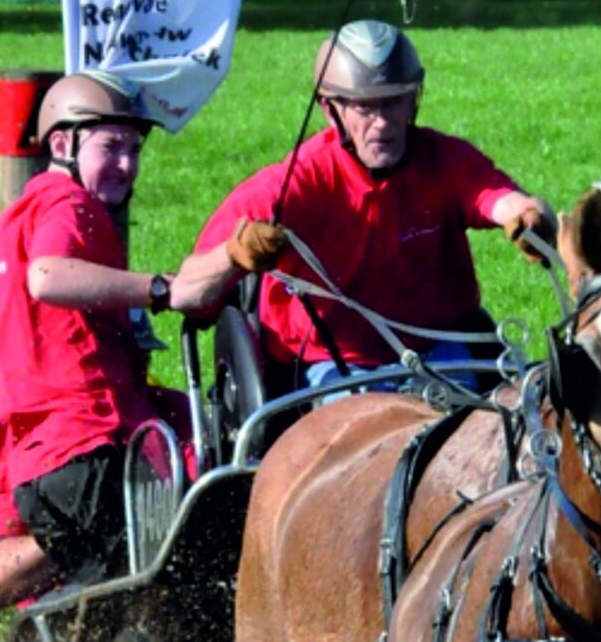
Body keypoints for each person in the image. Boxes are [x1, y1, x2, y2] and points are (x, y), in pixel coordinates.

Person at [170, 19, 556, 391]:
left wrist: (530, 219)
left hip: (439, 351)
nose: (383, 123)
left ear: (414, 100)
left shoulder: (444, 159)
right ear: (330, 108)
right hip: (329, 366)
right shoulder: (292, 183)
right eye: (365, 108)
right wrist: (234, 254)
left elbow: (505, 201)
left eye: (394, 103)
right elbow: (186, 291)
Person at [0, 71, 190, 610]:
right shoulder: (67, 205)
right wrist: (162, 290)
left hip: (27, 457)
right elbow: (48, 277)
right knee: (192, 543)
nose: (128, 164)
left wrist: (13, 391)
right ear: (62, 144)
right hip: (83, 443)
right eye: (112, 147)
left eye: (135, 149)